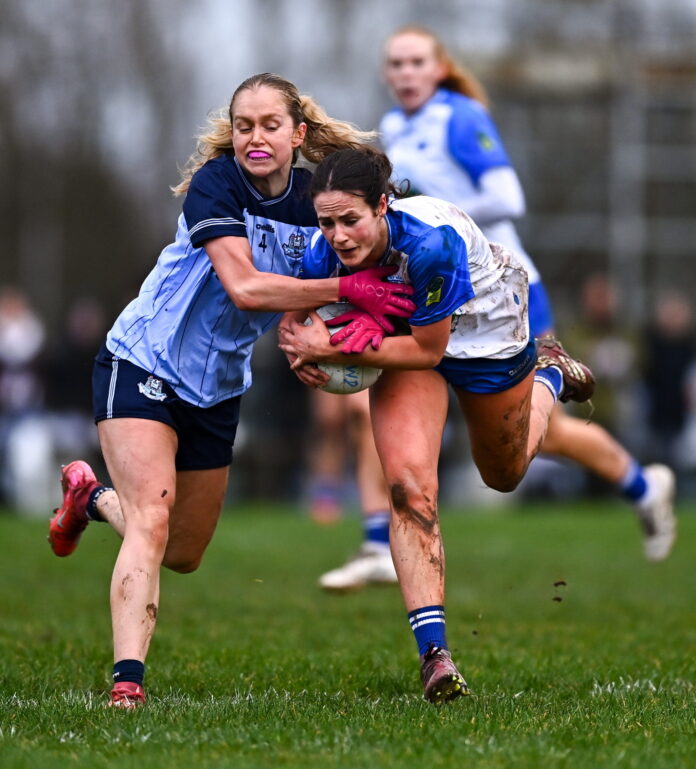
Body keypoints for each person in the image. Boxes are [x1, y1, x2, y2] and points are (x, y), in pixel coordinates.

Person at [47, 73, 416, 709]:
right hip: (143, 360)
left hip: (217, 387)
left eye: (271, 125)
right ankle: (127, 684)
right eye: (245, 126)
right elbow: (245, 287)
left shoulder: (316, 202)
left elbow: (301, 299)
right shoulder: (217, 184)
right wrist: (347, 290)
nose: (255, 138)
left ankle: (90, 497)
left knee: (183, 552)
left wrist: (313, 347)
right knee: (152, 520)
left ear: (298, 134)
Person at [278, 147, 595, 703]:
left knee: (504, 474)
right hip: (409, 334)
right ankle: (435, 655)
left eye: (350, 220)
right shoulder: (322, 251)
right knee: (408, 486)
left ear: (382, 206)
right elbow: (292, 320)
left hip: (484, 325)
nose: (338, 236)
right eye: (327, 222)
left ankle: (547, 375)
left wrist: (335, 347)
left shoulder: (430, 244)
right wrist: (301, 351)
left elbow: (429, 349)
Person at [376, 25, 676, 562]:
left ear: (440, 68)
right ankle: (379, 539)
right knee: (405, 402)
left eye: (417, 61)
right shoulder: (395, 126)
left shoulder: (460, 117)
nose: (406, 73)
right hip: (446, 295)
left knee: (540, 434)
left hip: (508, 294)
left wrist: (442, 221)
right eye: (396, 64)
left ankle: (640, 484)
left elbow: (507, 198)